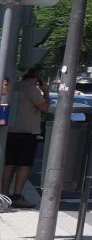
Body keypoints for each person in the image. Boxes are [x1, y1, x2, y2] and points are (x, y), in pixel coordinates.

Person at [3, 65, 52, 210]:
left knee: (9, 163)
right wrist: (46, 92)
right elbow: (45, 108)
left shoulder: (15, 86)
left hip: (10, 132)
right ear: (38, 78)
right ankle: (17, 196)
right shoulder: (32, 89)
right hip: (27, 134)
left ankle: (3, 193)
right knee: (24, 165)